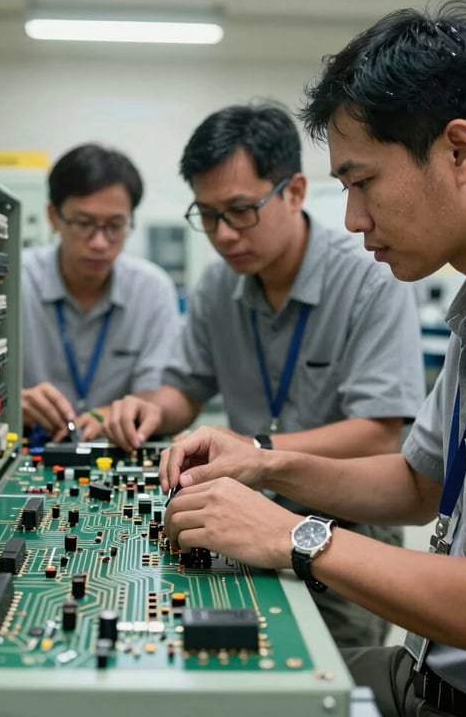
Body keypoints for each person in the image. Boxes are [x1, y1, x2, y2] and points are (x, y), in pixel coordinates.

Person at [160, 0, 466, 717]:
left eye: (363, 182)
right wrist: (264, 463)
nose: (352, 220)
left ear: (459, 152)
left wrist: (292, 534)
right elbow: (417, 481)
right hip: (430, 669)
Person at [104, 103, 426, 647]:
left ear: (295, 191)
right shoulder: (215, 287)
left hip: (343, 532)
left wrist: (255, 451)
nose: (224, 234)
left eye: (240, 210)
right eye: (207, 215)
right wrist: (153, 408)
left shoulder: (371, 280)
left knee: (325, 674)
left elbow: (378, 433)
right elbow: (185, 387)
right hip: (241, 521)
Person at [21, 143, 180, 441]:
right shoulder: (16, 283)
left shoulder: (152, 291)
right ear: (53, 216)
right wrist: (9, 403)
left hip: (118, 450)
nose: (99, 243)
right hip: (30, 446)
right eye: (84, 223)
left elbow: (158, 395)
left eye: (115, 226)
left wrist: (121, 412)